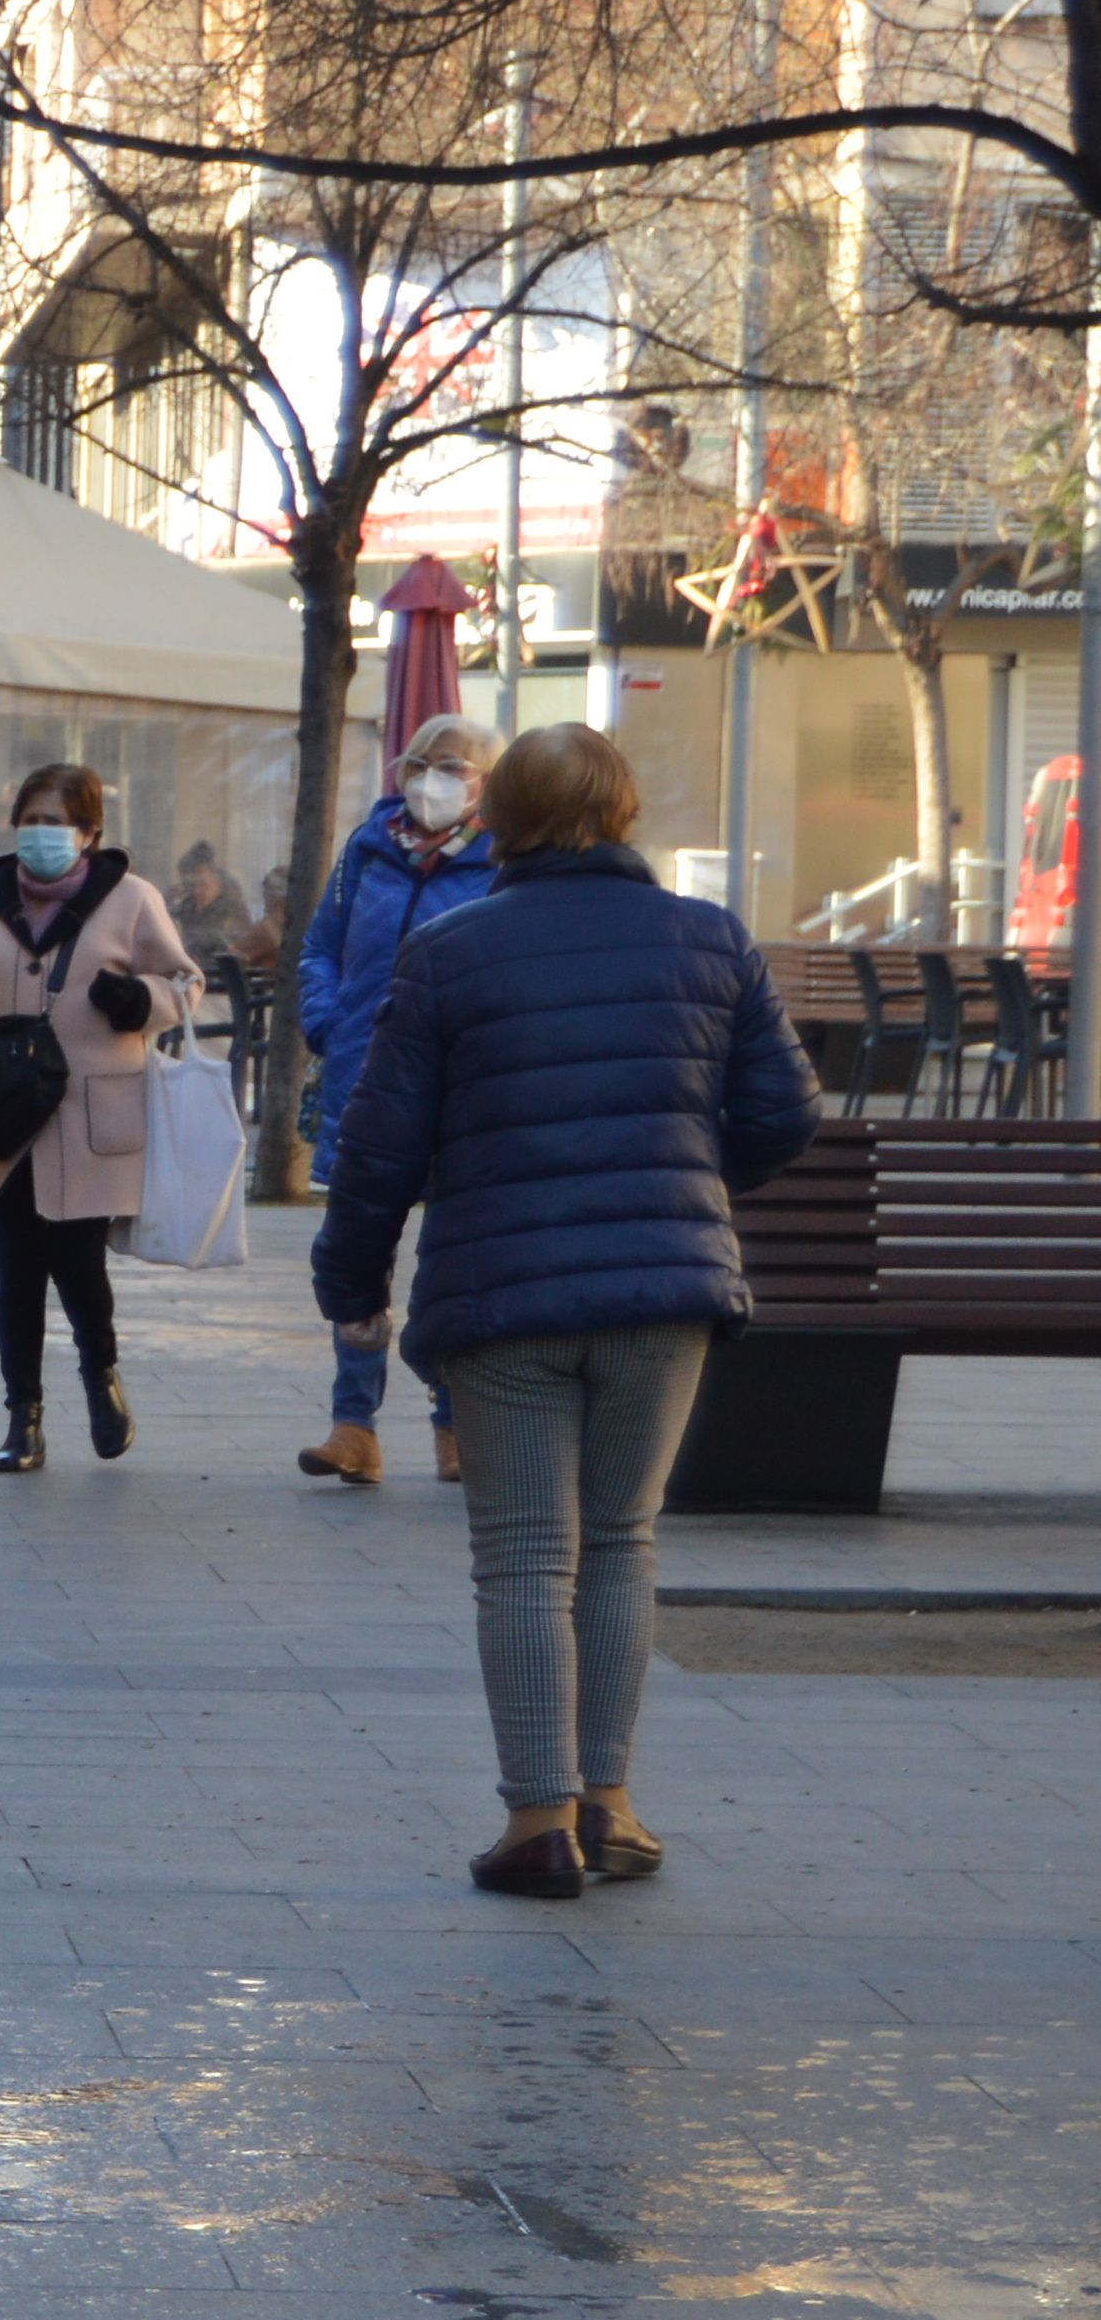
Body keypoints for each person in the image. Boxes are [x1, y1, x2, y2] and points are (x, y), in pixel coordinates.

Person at [311, 723, 811, 1899]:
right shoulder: (709, 939)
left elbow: (379, 1143)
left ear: (500, 819)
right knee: (623, 1540)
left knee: (526, 1558)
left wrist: (350, 1282)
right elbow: (785, 1111)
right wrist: (679, 1188)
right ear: (624, 813)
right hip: (661, 1292)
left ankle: (537, 1822)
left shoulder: (450, 951)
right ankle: (612, 1805)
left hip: (501, 1297)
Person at [0, 759, 204, 1473]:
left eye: (56, 821)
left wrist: (144, 1002)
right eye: (31, 820)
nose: (41, 834)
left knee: (77, 1266)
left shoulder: (131, 900)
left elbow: (184, 981)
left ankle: (100, 1377)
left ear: (89, 831)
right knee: (17, 1273)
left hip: (92, 1119)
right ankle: (24, 1420)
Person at [292, 719, 500, 1489]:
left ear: (488, 783)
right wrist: (327, 1015)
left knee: (449, 1266)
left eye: (455, 767)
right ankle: (354, 1427)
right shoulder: (367, 849)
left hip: (455, 1088)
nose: (434, 780)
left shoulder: (500, 861)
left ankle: (454, 1429)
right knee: (354, 1258)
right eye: (422, 764)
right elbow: (320, 945)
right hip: (363, 1077)